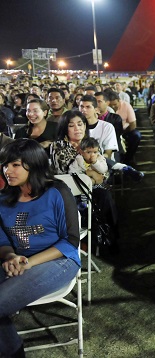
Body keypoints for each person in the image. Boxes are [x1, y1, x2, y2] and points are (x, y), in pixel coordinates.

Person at [0, 139, 80, 357]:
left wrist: (28, 263)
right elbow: (2, 240)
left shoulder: (57, 191)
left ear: (33, 164)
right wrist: (11, 256)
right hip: (16, 260)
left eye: (15, 165)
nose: (8, 170)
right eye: (5, 165)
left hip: (59, 260)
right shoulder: (4, 198)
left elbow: (71, 240)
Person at [50, 111, 121, 253]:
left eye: (80, 124)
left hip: (92, 187)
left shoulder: (90, 143)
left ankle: (107, 238)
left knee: (105, 194)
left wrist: (93, 174)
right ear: (65, 128)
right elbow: (65, 174)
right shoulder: (59, 146)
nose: (77, 128)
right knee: (101, 196)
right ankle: (97, 239)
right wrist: (91, 174)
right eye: (71, 125)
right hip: (70, 191)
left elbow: (103, 172)